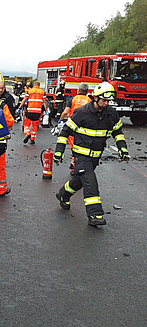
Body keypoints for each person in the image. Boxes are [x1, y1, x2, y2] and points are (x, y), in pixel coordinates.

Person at [53, 82, 129, 226]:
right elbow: (65, 133)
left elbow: (118, 132)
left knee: (80, 180)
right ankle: (95, 214)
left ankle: (63, 194)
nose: (106, 103)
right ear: (95, 98)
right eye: (103, 100)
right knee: (90, 182)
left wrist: (122, 148)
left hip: (95, 156)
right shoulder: (81, 113)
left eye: (108, 101)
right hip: (81, 156)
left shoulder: (111, 113)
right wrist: (59, 151)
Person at [59, 83, 92, 174]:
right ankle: (76, 163)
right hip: (84, 128)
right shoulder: (89, 100)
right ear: (87, 91)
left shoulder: (72, 99)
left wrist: (61, 119)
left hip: (73, 126)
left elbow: (66, 112)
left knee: (73, 146)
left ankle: (74, 164)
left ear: (78, 90)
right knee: (81, 147)